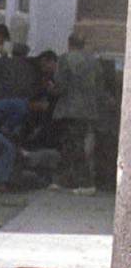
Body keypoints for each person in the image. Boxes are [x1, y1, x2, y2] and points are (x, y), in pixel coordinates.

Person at [50, 33, 101, 196]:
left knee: (74, 144)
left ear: (69, 43)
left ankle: (86, 183)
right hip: (88, 109)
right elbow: (100, 85)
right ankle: (63, 180)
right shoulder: (94, 61)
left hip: (70, 109)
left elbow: (61, 84)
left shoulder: (65, 59)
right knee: (72, 144)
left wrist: (51, 89)